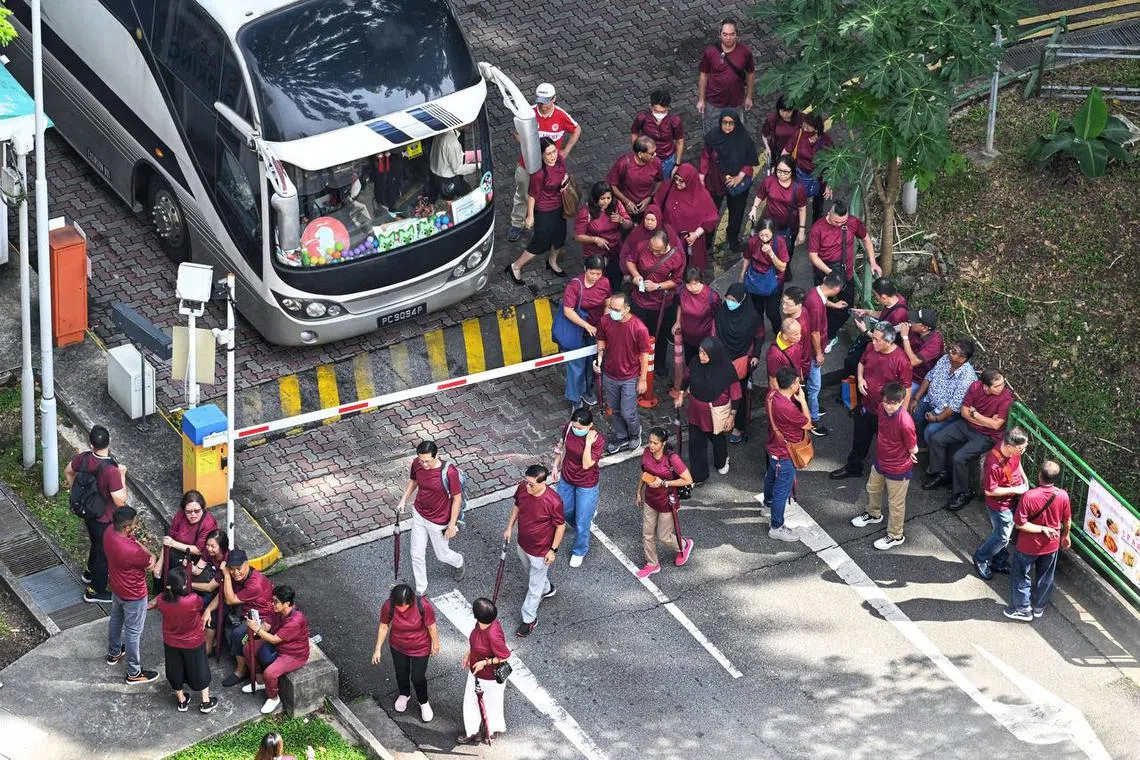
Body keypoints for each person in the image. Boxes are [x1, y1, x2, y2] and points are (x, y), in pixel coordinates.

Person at [924, 368, 1015, 511]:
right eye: (997, 386)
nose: (1001, 388)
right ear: (985, 386)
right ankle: (940, 473)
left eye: (1002, 383)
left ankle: (963, 493)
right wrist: (986, 420)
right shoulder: (975, 387)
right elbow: (964, 412)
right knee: (937, 439)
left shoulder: (1005, 397)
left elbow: (996, 425)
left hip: (987, 436)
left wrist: (976, 414)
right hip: (966, 426)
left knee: (959, 458)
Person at [830, 324, 912, 480]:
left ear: (889, 341)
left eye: (877, 340)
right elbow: (861, 363)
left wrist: (902, 414)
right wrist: (860, 379)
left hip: (886, 412)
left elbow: (907, 388)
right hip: (866, 405)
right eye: (873, 338)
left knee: (886, 444)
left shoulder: (901, 360)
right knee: (859, 438)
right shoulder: (870, 348)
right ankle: (854, 467)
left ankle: (886, 474)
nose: (873, 342)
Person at [508, 83, 581, 242]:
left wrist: (566, 150)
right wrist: (528, 145)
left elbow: (576, 129)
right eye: (540, 101)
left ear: (554, 99)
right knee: (523, 194)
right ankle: (517, 223)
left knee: (547, 196)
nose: (543, 105)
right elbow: (516, 133)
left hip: (550, 168)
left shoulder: (561, 116)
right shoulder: (528, 114)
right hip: (527, 164)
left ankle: (540, 222)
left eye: (546, 101)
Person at [849, 382, 918, 550]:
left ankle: (895, 535)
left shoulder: (905, 422)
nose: (888, 406)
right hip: (881, 459)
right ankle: (873, 514)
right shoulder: (881, 408)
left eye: (893, 403)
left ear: (901, 402)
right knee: (872, 488)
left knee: (895, 504)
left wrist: (910, 453)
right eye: (886, 402)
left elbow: (914, 448)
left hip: (898, 467)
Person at [65, 424, 128, 604]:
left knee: (96, 544)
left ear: (91, 444)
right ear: (110, 441)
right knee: (103, 555)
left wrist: (76, 492)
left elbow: (68, 470)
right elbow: (120, 501)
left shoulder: (83, 458)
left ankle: (90, 573)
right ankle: (95, 591)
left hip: (89, 513)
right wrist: (122, 475)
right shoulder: (111, 471)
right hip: (105, 519)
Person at [396, 440, 466, 595]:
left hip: (438, 521)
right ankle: (421, 588)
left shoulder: (449, 472)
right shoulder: (417, 463)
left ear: (437, 455)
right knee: (416, 554)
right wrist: (404, 500)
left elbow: (457, 499)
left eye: (427, 461)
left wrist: (452, 525)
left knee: (442, 555)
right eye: (421, 460)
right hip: (419, 514)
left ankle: (459, 561)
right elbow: (414, 481)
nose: (424, 464)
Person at [1004, 461, 1072, 621]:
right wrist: (1066, 535)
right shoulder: (1063, 495)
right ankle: (1038, 606)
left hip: (1028, 545)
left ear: (1040, 475)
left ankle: (1023, 609)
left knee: (1021, 575)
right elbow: (1067, 520)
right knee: (1046, 576)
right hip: (1051, 544)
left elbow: (1020, 524)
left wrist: (1041, 528)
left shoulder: (1029, 496)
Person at [503, 465, 565, 637]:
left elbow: (560, 527)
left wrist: (552, 550)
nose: (527, 486)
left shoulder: (554, 501)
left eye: (531, 484)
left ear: (543, 482)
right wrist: (509, 527)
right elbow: (517, 506)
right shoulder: (523, 488)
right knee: (531, 573)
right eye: (526, 482)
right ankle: (547, 588)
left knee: (533, 586)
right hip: (523, 543)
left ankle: (529, 619)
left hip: (541, 550)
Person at [808, 200, 879, 349]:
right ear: (829, 214)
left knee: (846, 307)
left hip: (846, 274)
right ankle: (822, 329)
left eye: (843, 222)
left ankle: (830, 334)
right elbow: (813, 256)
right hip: (825, 272)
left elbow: (866, 239)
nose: (840, 224)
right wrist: (831, 274)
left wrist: (872, 261)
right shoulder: (818, 228)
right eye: (836, 222)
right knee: (822, 303)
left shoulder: (853, 222)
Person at [104, 505, 159, 683]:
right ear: (127, 527)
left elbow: (133, 541)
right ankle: (134, 672)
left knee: (115, 620)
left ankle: (114, 652)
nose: (136, 525)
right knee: (133, 632)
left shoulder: (109, 532)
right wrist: (153, 556)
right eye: (134, 523)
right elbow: (149, 563)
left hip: (117, 587)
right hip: (134, 594)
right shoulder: (131, 551)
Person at [676, 337, 740, 485]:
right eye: (700, 352)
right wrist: (681, 394)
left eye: (705, 353)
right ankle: (699, 475)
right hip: (696, 412)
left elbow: (736, 394)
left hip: (715, 414)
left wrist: (732, 416)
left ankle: (722, 460)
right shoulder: (695, 362)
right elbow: (687, 378)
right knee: (695, 442)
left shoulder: (727, 370)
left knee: (717, 438)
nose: (701, 356)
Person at [371, 584, 441, 721]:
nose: (401, 609)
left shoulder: (423, 606)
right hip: (398, 646)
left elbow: (431, 627)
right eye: (398, 606)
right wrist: (377, 649)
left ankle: (423, 701)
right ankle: (404, 694)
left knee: (417, 677)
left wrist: (436, 644)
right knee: (401, 673)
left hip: (420, 647)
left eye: (404, 606)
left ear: (411, 601)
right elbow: (384, 626)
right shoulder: (388, 606)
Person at [506, 138, 570, 282]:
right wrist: (530, 216)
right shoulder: (539, 173)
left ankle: (552, 262)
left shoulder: (559, 160)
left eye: (554, 151)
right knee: (541, 241)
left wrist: (565, 181)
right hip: (544, 209)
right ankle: (515, 266)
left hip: (559, 206)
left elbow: (563, 173)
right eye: (549, 153)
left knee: (560, 236)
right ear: (541, 155)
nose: (553, 156)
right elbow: (532, 196)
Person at [596, 292, 652, 454]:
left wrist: (643, 379)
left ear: (627, 309)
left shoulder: (639, 328)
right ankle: (622, 436)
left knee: (628, 411)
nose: (612, 312)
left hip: (629, 377)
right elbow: (601, 338)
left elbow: (645, 354)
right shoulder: (605, 321)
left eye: (616, 309)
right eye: (611, 308)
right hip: (610, 374)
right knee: (615, 409)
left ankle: (635, 433)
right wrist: (600, 354)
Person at [635, 427, 695, 577]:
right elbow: (644, 472)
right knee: (647, 534)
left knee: (663, 536)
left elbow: (688, 479)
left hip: (667, 502)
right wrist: (638, 492)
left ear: (663, 443)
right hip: (650, 499)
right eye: (650, 442)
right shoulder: (646, 453)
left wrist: (664, 483)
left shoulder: (672, 459)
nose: (651, 445)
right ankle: (652, 564)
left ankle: (684, 545)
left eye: (655, 443)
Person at [156, 566, 217, 712]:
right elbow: (201, 605)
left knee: (175, 668)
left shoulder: (161, 600)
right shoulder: (192, 600)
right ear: (184, 585)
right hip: (193, 641)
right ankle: (205, 701)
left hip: (171, 641)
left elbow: (160, 603)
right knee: (200, 667)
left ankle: (182, 700)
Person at [243, 584, 312, 714]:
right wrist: (257, 624)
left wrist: (256, 629)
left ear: (286, 604)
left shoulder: (295, 621)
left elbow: (274, 639)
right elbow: (267, 625)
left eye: (276, 602)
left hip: (293, 655)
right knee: (248, 648)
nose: (272, 604)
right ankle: (260, 681)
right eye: (272, 600)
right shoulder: (277, 610)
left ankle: (273, 698)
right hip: (278, 646)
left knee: (270, 673)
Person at [973, 428, 1030, 580]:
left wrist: (1024, 480)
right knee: (1002, 536)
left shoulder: (1013, 452)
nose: (1022, 451)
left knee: (1006, 533)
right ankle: (980, 558)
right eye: (1020, 449)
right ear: (1010, 446)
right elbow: (990, 491)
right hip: (1000, 506)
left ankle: (999, 561)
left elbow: (1017, 463)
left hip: (1013, 499)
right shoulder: (993, 464)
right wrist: (1016, 489)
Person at [763, 367, 812, 542]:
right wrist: (803, 401)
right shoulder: (788, 408)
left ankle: (767, 505)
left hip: (773, 447)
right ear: (792, 385)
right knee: (781, 491)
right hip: (785, 454)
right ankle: (776, 526)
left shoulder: (771, 396)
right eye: (798, 382)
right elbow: (807, 423)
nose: (799, 384)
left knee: (770, 477)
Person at [700, 110, 760, 254]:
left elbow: (749, 160)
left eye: (731, 123)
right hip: (715, 181)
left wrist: (739, 177)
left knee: (736, 213)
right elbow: (706, 156)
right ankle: (706, 241)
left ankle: (733, 240)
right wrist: (702, 175)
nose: (727, 126)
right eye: (724, 123)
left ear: (736, 124)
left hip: (736, 184)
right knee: (711, 212)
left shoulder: (743, 139)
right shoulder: (713, 136)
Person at [628, 229, 684, 378]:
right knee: (637, 334)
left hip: (661, 304)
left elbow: (677, 281)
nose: (654, 253)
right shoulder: (642, 246)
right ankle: (636, 363)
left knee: (659, 336)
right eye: (651, 249)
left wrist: (657, 286)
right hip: (639, 300)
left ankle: (659, 364)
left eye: (658, 251)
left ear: (667, 246)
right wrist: (636, 275)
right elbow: (630, 260)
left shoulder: (676, 257)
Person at [553, 408, 604, 567]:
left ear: (590, 426)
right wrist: (555, 465)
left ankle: (580, 550)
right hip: (567, 477)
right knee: (563, 510)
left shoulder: (597, 440)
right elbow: (561, 446)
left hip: (586, 483)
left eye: (580, 428)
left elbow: (587, 464)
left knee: (582, 522)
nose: (576, 430)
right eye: (574, 426)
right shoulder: (568, 428)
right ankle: (586, 518)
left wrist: (588, 443)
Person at [559, 256, 612, 411]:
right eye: (592, 273)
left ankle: (586, 391)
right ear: (585, 269)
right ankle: (574, 398)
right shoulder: (574, 285)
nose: (595, 277)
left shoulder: (605, 283)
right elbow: (568, 311)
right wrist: (586, 325)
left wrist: (604, 322)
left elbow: (608, 303)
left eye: (598, 274)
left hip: (595, 330)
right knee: (576, 366)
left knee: (592, 363)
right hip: (576, 331)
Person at [457, 598, 512, 745]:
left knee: (492, 704)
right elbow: (476, 641)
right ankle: (472, 731)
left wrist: (484, 663)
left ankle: (492, 730)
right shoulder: (482, 625)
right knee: (471, 702)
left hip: (490, 678)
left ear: (476, 616)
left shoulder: (493, 635)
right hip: (476, 672)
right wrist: (468, 654)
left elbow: (505, 655)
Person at [714, 283, 764, 443]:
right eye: (728, 299)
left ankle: (739, 426)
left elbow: (759, 336)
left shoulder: (752, 317)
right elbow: (714, 333)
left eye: (734, 300)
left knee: (740, 396)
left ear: (742, 300)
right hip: (722, 359)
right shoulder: (722, 312)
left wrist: (755, 355)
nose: (730, 302)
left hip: (741, 361)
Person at [219, 548, 275, 687]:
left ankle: (241, 671)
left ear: (247, 564)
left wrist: (227, 576)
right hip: (246, 611)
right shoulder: (241, 576)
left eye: (239, 568)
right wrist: (208, 610)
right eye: (231, 569)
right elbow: (223, 595)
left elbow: (230, 600)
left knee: (238, 634)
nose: (235, 573)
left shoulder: (255, 584)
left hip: (262, 618)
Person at [799, 275, 846, 435]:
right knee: (815, 386)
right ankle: (813, 419)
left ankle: (814, 408)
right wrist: (819, 353)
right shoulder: (815, 305)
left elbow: (824, 301)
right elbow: (814, 332)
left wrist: (834, 305)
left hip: (811, 349)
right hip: (813, 352)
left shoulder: (815, 293)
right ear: (836, 289)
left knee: (812, 384)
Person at [909, 339, 977, 445]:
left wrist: (936, 419)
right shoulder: (945, 359)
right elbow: (929, 377)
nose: (950, 352)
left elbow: (953, 407)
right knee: (914, 412)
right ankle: (919, 441)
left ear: (962, 359)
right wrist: (916, 398)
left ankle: (928, 447)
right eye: (951, 349)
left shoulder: (967, 378)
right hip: (929, 400)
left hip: (946, 412)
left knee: (930, 431)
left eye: (954, 352)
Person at [655, 163, 719, 272]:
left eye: (681, 181)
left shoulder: (702, 196)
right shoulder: (669, 186)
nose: (677, 183)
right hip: (669, 236)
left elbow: (711, 220)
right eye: (676, 179)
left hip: (689, 241)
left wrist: (696, 234)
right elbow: (657, 204)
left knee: (689, 268)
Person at [696, 19, 755, 135]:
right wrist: (701, 99)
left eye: (732, 34)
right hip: (714, 101)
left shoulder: (745, 52)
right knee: (712, 132)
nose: (728, 38)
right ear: (720, 35)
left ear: (737, 35)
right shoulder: (711, 52)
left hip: (736, 101)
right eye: (725, 34)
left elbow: (750, 74)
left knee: (736, 132)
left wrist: (748, 97)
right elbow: (703, 75)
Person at [749, 155, 807, 262]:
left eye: (786, 172)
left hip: (788, 227)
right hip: (769, 225)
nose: (782, 174)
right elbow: (760, 195)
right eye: (779, 171)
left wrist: (801, 230)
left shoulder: (798, 187)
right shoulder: (769, 181)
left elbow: (802, 208)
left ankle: (784, 268)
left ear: (792, 171)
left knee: (786, 252)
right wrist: (754, 208)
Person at [740, 218, 790, 335]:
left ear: (773, 233)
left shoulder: (779, 243)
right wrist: (742, 274)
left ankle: (779, 333)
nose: (764, 238)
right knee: (757, 311)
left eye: (767, 235)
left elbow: (782, 267)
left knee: (772, 312)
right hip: (756, 280)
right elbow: (747, 257)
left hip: (774, 281)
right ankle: (759, 335)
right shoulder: (753, 241)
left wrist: (771, 254)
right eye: (761, 235)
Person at [782, 113, 834, 222]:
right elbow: (787, 150)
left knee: (818, 205)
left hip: (819, 178)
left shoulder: (826, 142)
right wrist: (780, 165)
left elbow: (832, 165)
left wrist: (829, 184)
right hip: (800, 175)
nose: (804, 127)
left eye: (808, 126)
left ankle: (816, 224)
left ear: (816, 129)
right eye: (804, 124)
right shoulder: (800, 133)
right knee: (796, 201)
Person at [618, 204, 682, 292]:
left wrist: (657, 286)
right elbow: (627, 255)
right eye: (647, 219)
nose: (649, 222)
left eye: (652, 220)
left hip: (662, 286)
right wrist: (631, 274)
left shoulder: (668, 233)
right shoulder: (637, 234)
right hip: (640, 282)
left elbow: (677, 276)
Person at [160, 490, 218, 578]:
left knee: (175, 577)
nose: (193, 514)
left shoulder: (208, 523)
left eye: (197, 511)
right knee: (159, 574)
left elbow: (199, 550)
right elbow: (168, 538)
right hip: (177, 551)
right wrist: (159, 564)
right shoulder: (180, 515)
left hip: (196, 558)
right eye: (188, 511)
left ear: (203, 508)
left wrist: (173, 543)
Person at [573, 181, 631, 268]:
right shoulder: (586, 212)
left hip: (615, 248)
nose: (606, 202)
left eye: (608, 198)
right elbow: (578, 236)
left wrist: (621, 220)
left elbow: (629, 225)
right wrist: (595, 239)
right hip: (595, 252)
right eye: (602, 198)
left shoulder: (616, 205)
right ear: (595, 198)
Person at [631, 89, 685, 179]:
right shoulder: (642, 118)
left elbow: (680, 140)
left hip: (666, 160)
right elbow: (634, 133)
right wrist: (637, 152)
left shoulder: (675, 121)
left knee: (664, 181)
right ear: (651, 107)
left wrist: (677, 164)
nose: (660, 114)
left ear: (668, 108)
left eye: (663, 111)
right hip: (647, 157)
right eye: (656, 111)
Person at [673, 267, 721, 368]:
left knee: (704, 365)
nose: (693, 288)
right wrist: (677, 322)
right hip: (688, 337)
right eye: (689, 284)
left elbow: (717, 315)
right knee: (690, 363)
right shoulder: (681, 292)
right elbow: (679, 305)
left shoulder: (712, 297)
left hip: (705, 338)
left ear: (701, 281)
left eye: (696, 284)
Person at [607, 136, 664, 222]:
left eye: (655, 152)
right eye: (652, 153)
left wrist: (649, 197)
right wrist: (627, 202)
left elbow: (659, 181)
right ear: (640, 154)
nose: (655, 155)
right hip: (626, 207)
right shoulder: (623, 163)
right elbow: (612, 184)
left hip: (645, 205)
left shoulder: (656, 162)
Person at [898, 308, 944, 395]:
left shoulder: (935, 343)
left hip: (917, 378)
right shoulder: (914, 331)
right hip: (903, 368)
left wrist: (905, 337)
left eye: (914, 321)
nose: (910, 322)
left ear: (924, 328)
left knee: (898, 396)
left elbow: (913, 361)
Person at [760, 96, 802, 167]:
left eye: (788, 112)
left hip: (793, 152)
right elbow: (764, 134)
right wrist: (767, 148)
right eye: (782, 111)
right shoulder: (772, 118)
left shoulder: (800, 119)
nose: (785, 114)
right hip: (776, 151)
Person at [766, 318, 804, 389]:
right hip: (785, 389)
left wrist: (800, 378)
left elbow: (798, 362)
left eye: (800, 332)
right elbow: (773, 382)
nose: (800, 336)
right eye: (796, 334)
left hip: (795, 384)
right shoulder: (774, 354)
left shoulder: (795, 341)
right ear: (785, 336)